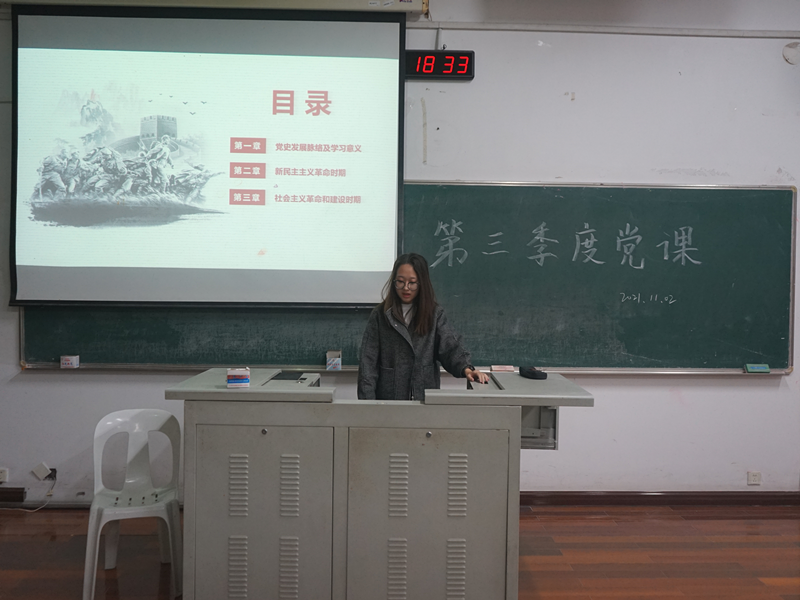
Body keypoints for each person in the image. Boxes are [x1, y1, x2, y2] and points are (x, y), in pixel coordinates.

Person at [357, 253, 489, 401]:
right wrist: (367, 404)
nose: (406, 288)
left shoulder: (434, 314)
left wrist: (467, 369)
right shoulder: (380, 315)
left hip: (424, 397)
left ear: (422, 283)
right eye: (400, 282)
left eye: (412, 282)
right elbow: (368, 364)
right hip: (389, 399)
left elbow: (450, 347)